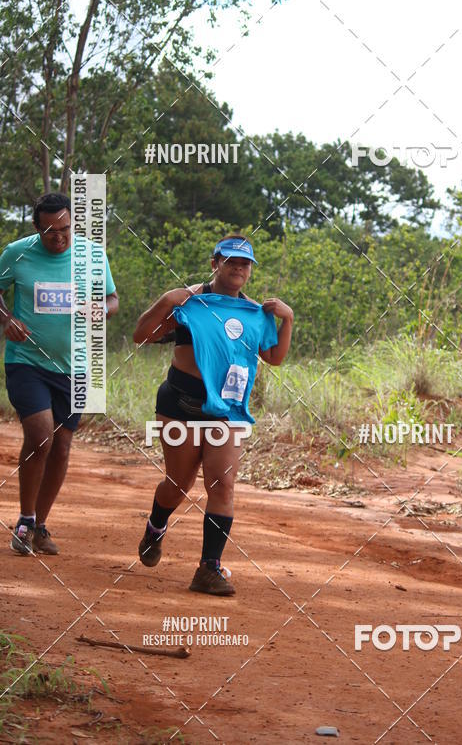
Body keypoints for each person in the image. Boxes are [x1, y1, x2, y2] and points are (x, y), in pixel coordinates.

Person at [133, 233, 293, 596]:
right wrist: (167, 300)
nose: (238, 267)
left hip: (227, 411)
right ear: (215, 262)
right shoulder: (191, 302)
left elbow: (275, 358)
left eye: (245, 263)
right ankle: (156, 526)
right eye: (231, 260)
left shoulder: (255, 313)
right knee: (178, 484)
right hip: (181, 406)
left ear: (250, 270)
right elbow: (141, 335)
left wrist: (289, 320)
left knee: (222, 484)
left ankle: (208, 568)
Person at [0, 193, 119, 555]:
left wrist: (100, 309)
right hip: (26, 361)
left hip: (75, 367)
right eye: (51, 231)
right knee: (40, 437)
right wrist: (6, 319)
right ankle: (23, 519)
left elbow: (113, 300)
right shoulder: (16, 253)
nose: (59, 237)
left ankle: (39, 525)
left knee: (62, 447)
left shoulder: (92, 256)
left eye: (66, 229)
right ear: (37, 228)